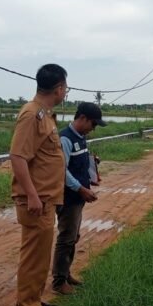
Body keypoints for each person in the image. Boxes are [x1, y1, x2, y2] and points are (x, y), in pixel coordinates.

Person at [8, 63, 69, 306]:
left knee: (40, 257)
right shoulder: (31, 115)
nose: (65, 92)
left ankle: (32, 300)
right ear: (58, 88)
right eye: (65, 87)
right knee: (34, 258)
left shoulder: (44, 114)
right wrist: (32, 195)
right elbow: (18, 157)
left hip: (46, 200)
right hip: (36, 202)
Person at [51, 102, 106, 294]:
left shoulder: (80, 138)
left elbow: (78, 161)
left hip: (77, 198)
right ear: (82, 118)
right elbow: (60, 171)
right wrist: (81, 189)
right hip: (68, 198)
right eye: (93, 124)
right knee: (66, 238)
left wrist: (92, 168)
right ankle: (59, 282)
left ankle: (65, 274)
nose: (93, 128)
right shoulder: (65, 139)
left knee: (73, 236)